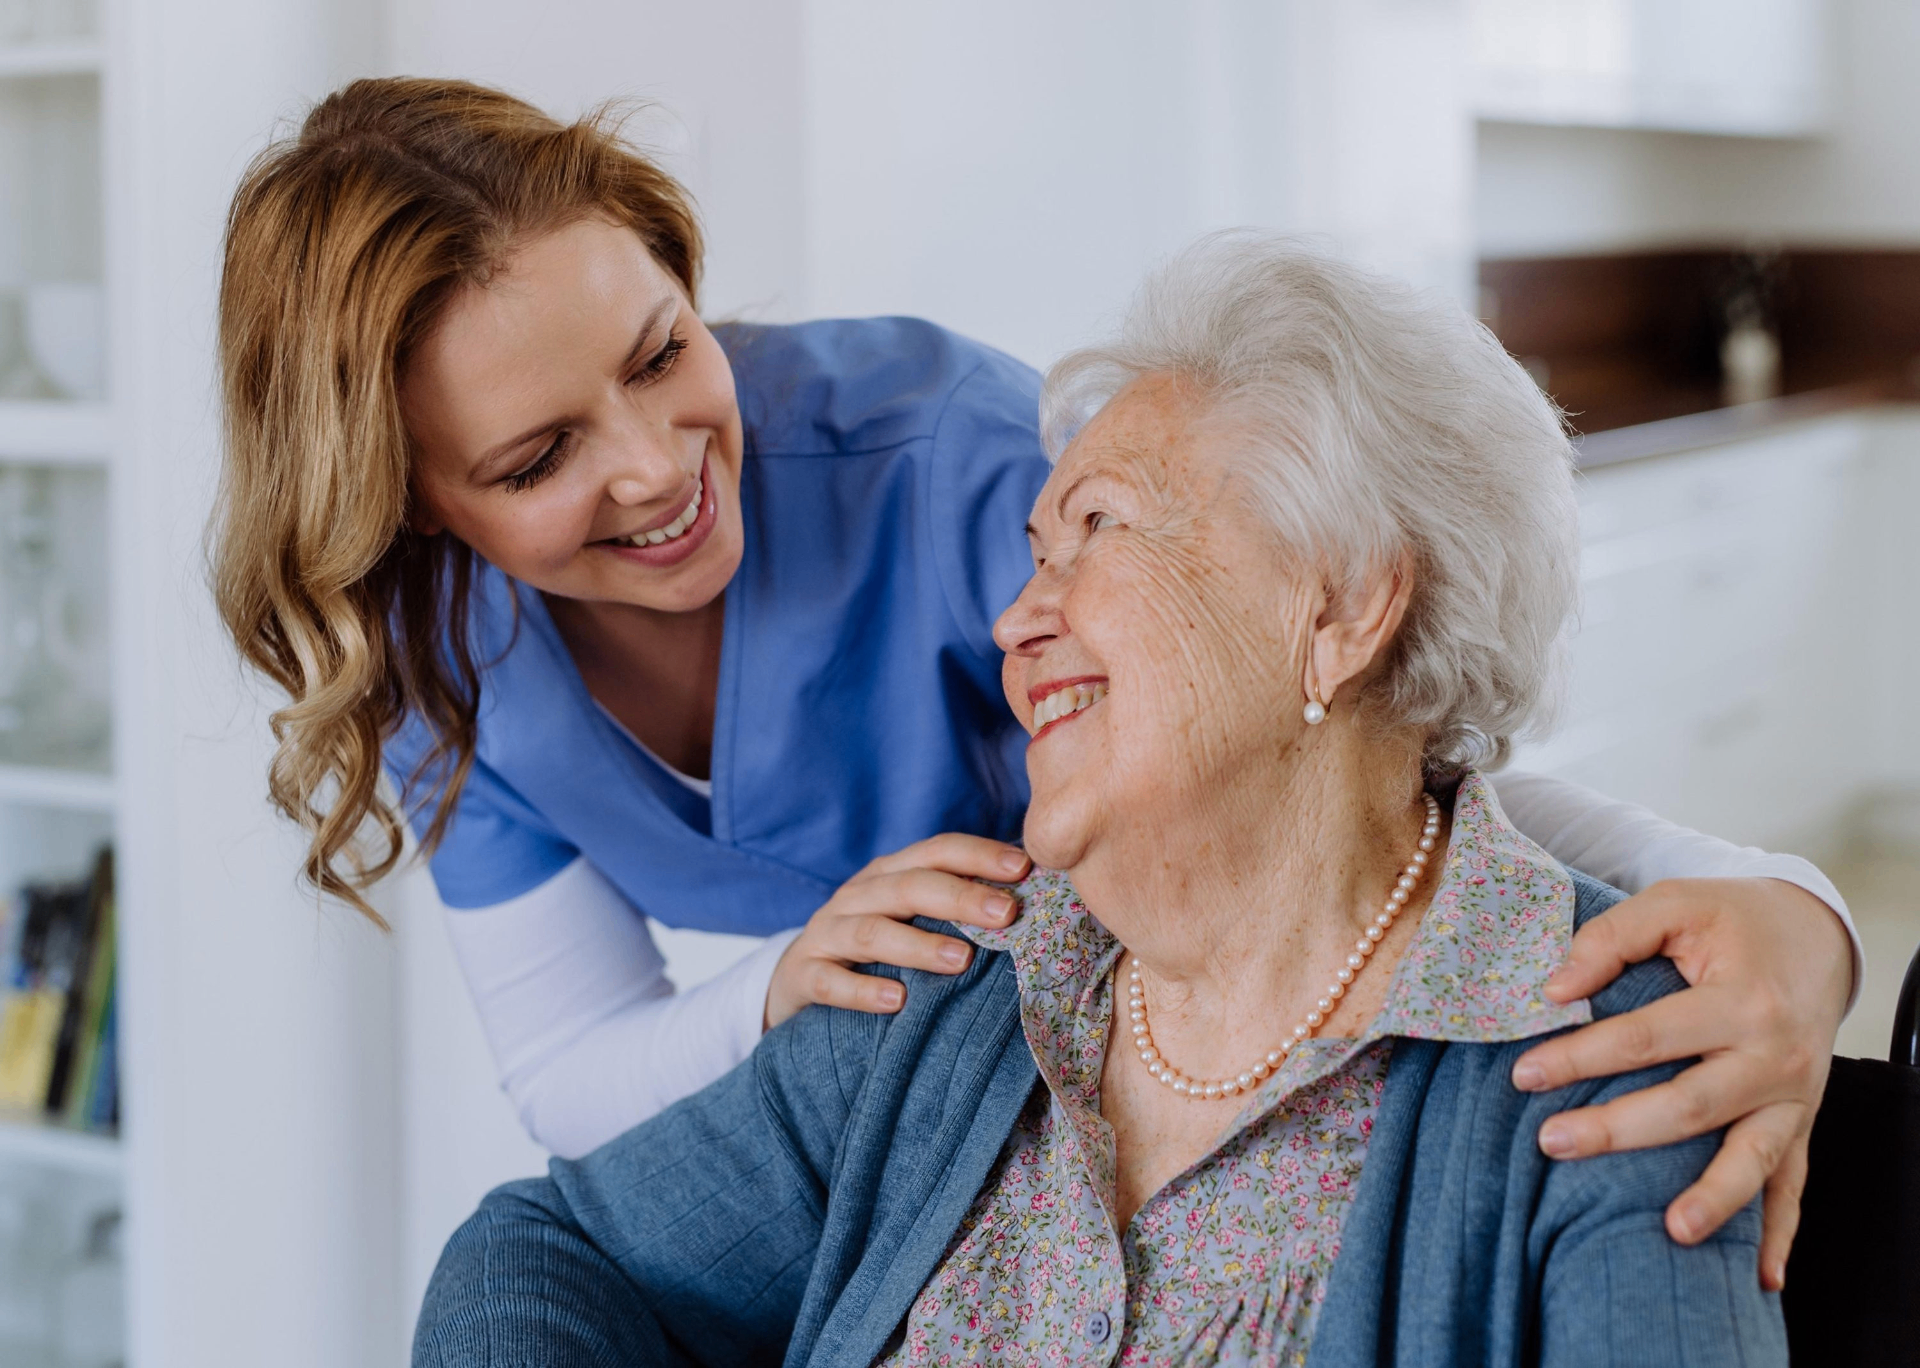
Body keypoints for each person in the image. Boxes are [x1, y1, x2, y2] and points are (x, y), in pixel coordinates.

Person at [213, 77, 1850, 1286]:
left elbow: (1345, 741)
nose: (656, 469)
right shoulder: (434, 650)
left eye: (662, 352)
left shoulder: (946, 462)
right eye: (540, 455)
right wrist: (784, 989)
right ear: (414, 500)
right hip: (938, 1081)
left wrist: (1765, 897)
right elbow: (575, 1071)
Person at [415, 240, 1787, 1367]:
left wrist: (1797, 911)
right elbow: (535, 1254)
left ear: (1342, 606)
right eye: (1030, 546)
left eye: (1098, 529)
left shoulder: (1614, 1075)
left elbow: (1430, 820)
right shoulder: (949, 996)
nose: (1013, 620)